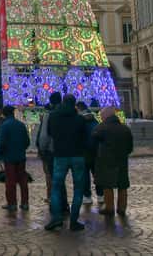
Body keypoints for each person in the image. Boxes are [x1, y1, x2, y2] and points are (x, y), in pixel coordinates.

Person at [44, 95, 88, 232]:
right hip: (77, 155)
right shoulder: (80, 119)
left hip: (60, 155)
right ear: (74, 104)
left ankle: (57, 217)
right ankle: (74, 221)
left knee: (56, 187)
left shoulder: (54, 117)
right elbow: (85, 137)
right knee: (78, 188)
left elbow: (49, 134)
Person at [92, 106, 133, 216]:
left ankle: (109, 207)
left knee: (107, 184)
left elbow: (93, 140)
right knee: (122, 185)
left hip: (106, 161)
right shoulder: (125, 128)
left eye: (101, 116)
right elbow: (130, 147)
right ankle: (122, 208)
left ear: (105, 116)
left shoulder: (101, 128)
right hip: (122, 160)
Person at [0, 104, 30, 211]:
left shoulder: (5, 125)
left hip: (9, 157)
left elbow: (2, 142)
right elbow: (27, 142)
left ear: (4, 114)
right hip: (21, 156)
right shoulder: (21, 125)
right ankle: (25, 203)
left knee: (10, 181)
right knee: (23, 180)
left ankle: (12, 203)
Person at [36, 92, 63, 205]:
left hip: (50, 151)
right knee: (60, 177)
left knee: (50, 175)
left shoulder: (49, 115)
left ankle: (52, 197)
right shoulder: (67, 113)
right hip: (64, 150)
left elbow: (43, 137)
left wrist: (42, 149)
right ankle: (62, 200)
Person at [77, 102, 98, 205]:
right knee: (97, 173)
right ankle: (101, 194)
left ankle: (87, 195)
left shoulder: (80, 121)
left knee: (85, 175)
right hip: (95, 151)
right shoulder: (94, 120)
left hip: (84, 151)